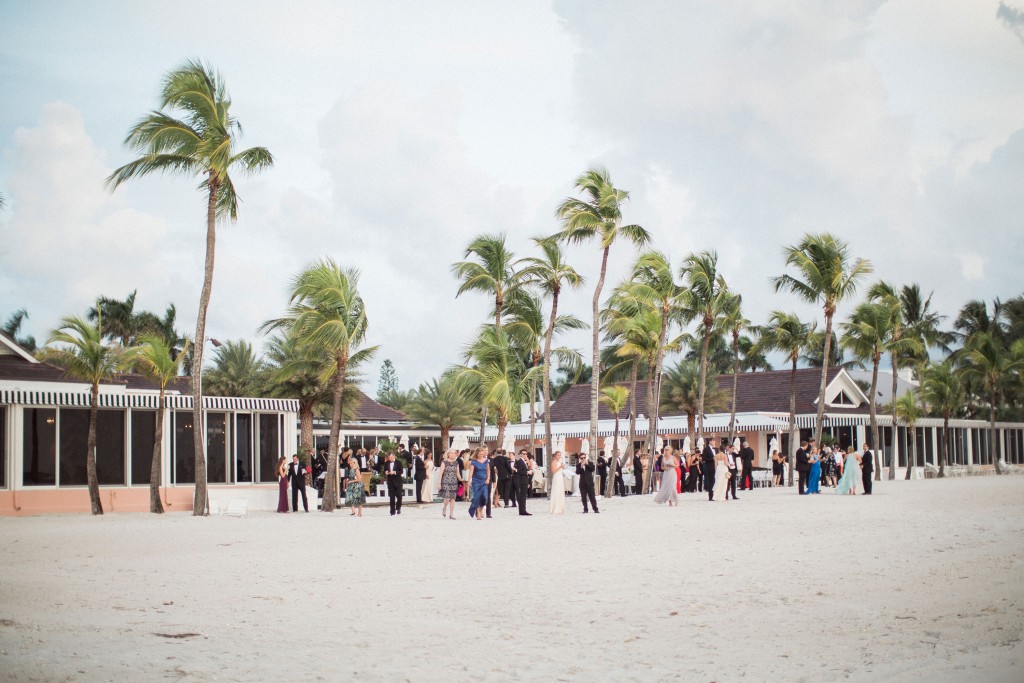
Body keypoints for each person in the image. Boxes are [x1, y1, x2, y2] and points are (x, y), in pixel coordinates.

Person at [467, 447, 490, 520]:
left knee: (485, 497)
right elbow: (471, 472)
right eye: (480, 454)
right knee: (477, 497)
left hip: (484, 481)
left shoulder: (486, 461)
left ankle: (480, 509)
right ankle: (478, 512)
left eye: (482, 454)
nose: (481, 455)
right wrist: (468, 481)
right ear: (477, 454)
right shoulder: (473, 462)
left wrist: (488, 478)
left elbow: (488, 471)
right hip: (476, 481)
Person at [438, 449, 460, 519]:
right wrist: (439, 483)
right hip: (446, 481)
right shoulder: (444, 462)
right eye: (451, 453)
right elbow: (441, 473)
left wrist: (461, 480)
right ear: (448, 454)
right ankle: (444, 507)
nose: (453, 455)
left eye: (454, 453)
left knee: (453, 498)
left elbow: (458, 473)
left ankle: (451, 514)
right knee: (447, 497)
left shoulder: (456, 463)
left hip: (454, 482)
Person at [513, 450, 532, 516]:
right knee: (522, 496)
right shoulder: (519, 462)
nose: (525, 455)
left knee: (523, 495)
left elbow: (528, 467)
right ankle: (522, 510)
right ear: (520, 454)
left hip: (524, 480)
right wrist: (527, 472)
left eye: (526, 454)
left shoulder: (523, 461)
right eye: (523, 454)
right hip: (522, 480)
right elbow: (519, 471)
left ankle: (523, 510)